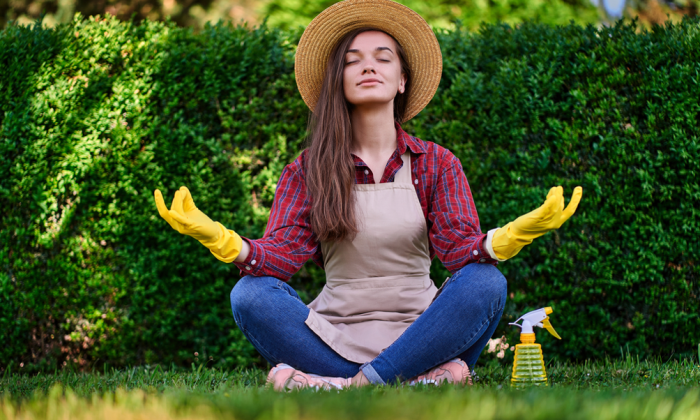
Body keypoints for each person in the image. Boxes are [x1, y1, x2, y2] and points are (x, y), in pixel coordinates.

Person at [154, 0, 583, 391]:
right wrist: (222, 240)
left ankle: (340, 386)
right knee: (249, 295)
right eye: (352, 61)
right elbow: (279, 258)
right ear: (338, 81)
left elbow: (458, 254)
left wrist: (506, 238)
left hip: (424, 334)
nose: (368, 67)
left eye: (383, 58)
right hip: (332, 336)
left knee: (486, 281)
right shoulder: (307, 170)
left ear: (402, 81)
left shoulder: (436, 164)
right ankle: (415, 382)